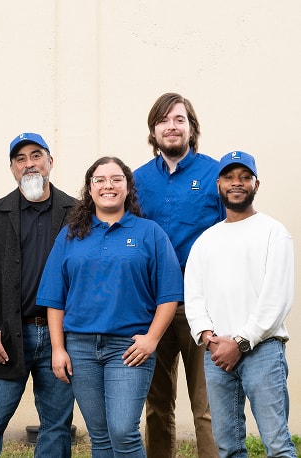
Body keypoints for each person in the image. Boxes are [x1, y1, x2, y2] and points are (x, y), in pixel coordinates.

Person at [37, 156, 184, 457]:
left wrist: (152, 339)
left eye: (116, 179)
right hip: (79, 348)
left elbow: (169, 295)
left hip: (128, 348)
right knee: (100, 436)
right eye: (100, 180)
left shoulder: (150, 233)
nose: (108, 185)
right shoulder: (70, 236)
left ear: (128, 187)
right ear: (89, 189)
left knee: (123, 431)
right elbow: (55, 298)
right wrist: (58, 348)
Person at [0, 132, 75, 458]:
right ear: (12, 168)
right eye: (20, 159)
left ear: (50, 162)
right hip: (6, 336)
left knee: (57, 426)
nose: (29, 164)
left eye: (36, 156)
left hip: (60, 338)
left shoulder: (77, 213)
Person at [184, 151, 297, 457]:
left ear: (256, 184)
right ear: (218, 184)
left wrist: (241, 341)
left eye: (244, 177)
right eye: (230, 177)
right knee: (228, 446)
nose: (237, 183)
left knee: (277, 444)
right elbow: (193, 295)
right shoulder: (206, 240)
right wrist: (208, 338)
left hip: (262, 351)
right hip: (217, 354)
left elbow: (277, 298)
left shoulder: (274, 233)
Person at [133, 92, 224, 457]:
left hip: (202, 304)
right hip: (151, 306)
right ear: (153, 131)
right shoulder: (136, 179)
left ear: (191, 128)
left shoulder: (215, 174)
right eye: (163, 121)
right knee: (156, 404)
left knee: (206, 405)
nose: (171, 127)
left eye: (179, 120)